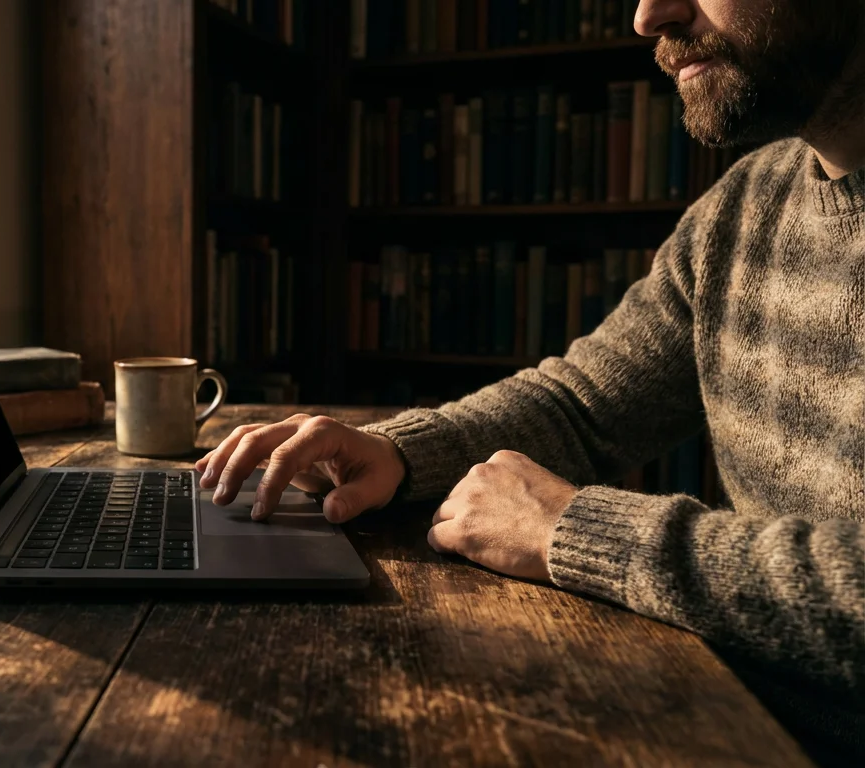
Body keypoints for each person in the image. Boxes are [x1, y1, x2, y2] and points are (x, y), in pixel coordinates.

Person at [196, 0, 865, 762]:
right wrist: (400, 452)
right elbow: (582, 404)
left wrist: (574, 532)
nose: (650, 16)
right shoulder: (747, 207)